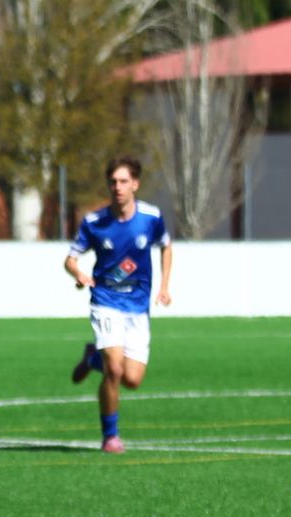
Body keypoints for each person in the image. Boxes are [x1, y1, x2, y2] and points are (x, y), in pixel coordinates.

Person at [64, 156, 173, 453]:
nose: (118, 187)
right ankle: (110, 436)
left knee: (132, 380)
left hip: (137, 306)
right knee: (114, 369)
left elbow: (166, 246)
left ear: (135, 184)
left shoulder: (151, 218)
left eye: (124, 181)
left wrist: (163, 286)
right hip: (106, 301)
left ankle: (91, 358)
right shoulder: (94, 222)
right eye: (113, 181)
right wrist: (79, 274)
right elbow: (70, 259)